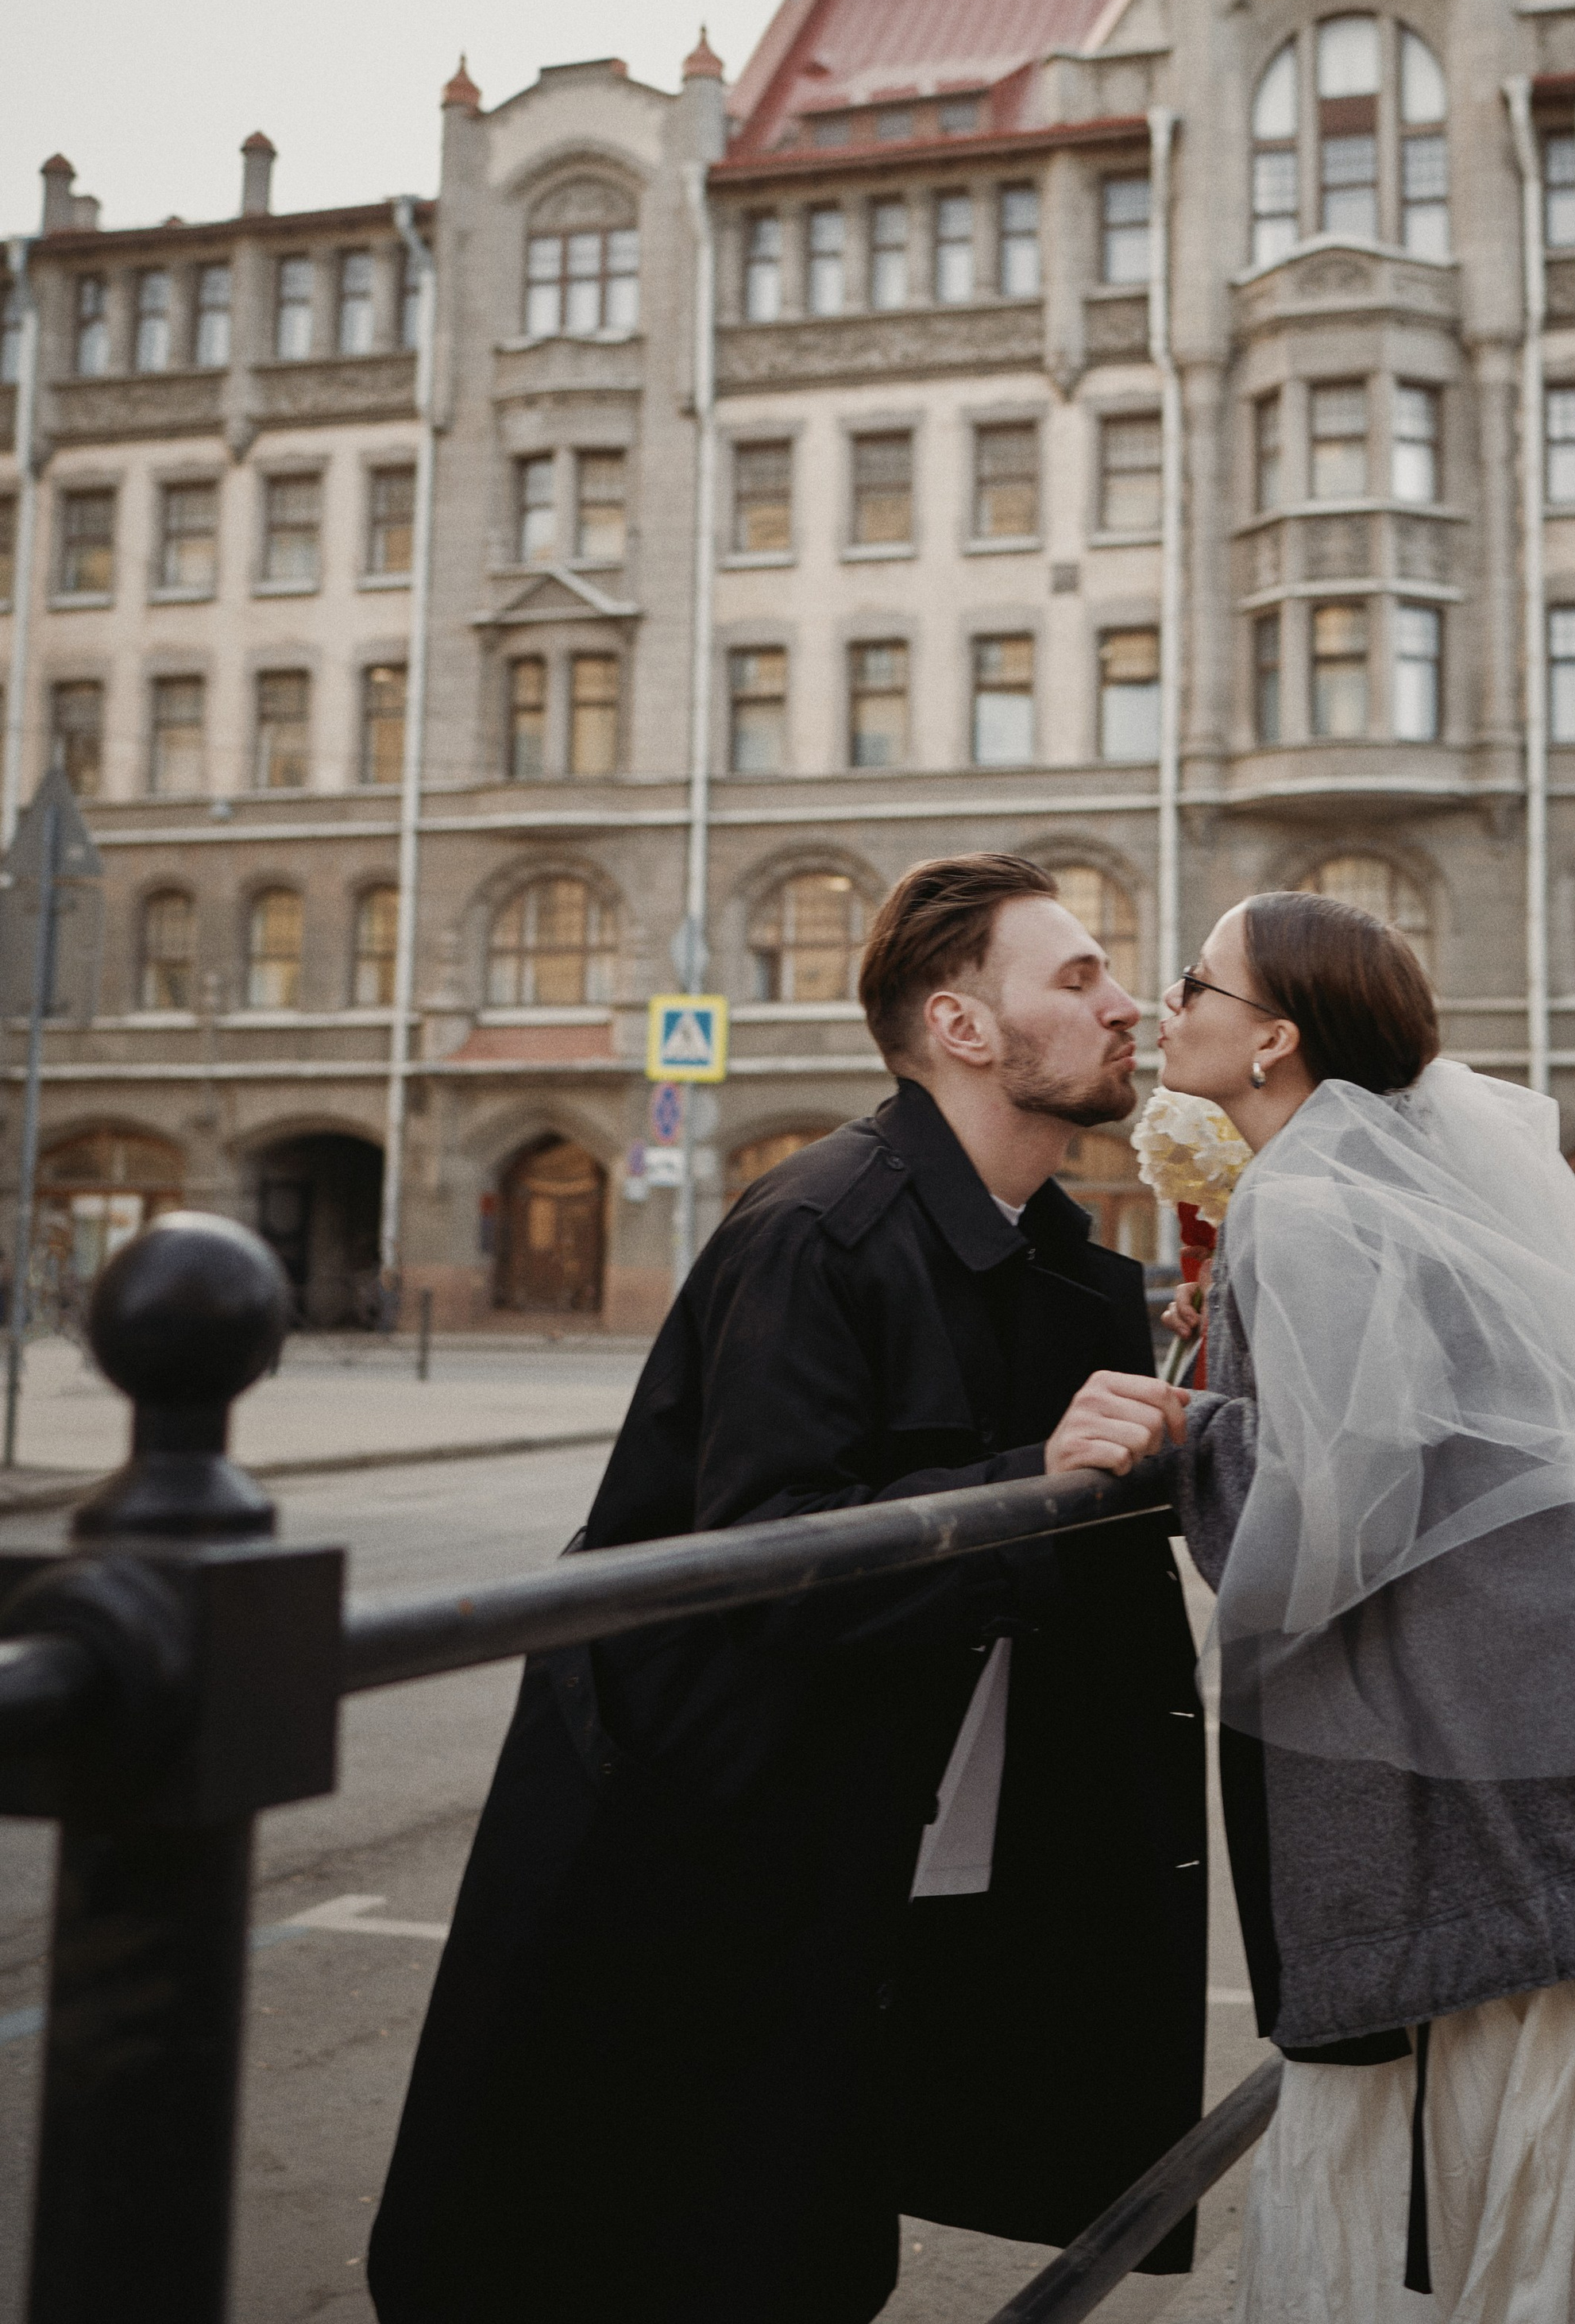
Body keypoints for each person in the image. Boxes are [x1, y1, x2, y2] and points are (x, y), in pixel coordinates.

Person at [369, 852, 1205, 2324]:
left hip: (879, 1838)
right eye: (1077, 979)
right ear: (960, 1026)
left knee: (817, 2224)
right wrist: (1037, 1468)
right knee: (658, 2239)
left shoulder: (1061, 1261)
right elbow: (772, 1560)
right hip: (703, 1833)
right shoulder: (817, 1228)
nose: (1126, 1006)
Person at [1160, 891, 1575, 2322]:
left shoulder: (1310, 1198)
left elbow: (1329, 1521)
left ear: (1275, 1040)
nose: (1166, 1006)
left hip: (1530, 1802)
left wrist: (1176, 1437)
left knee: (1505, 2188)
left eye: (1193, 980)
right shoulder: (1388, 1188)